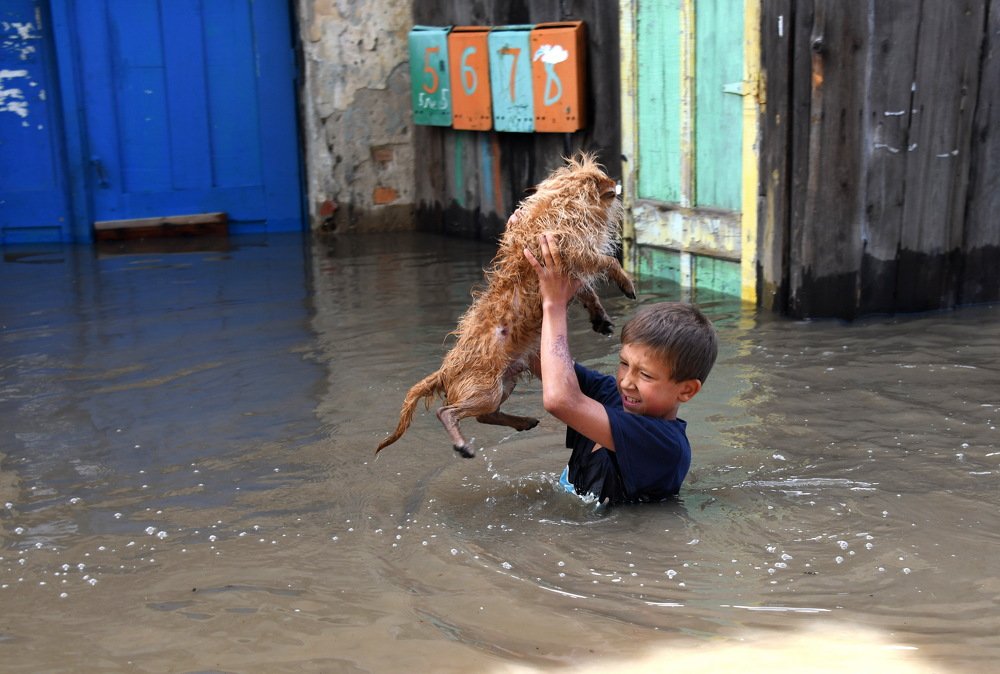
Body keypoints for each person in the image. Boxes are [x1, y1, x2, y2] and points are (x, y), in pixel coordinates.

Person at [523, 233, 718, 505]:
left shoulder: (665, 446)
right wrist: (524, 250)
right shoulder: (614, 397)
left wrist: (554, 305)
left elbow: (559, 399)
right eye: (624, 363)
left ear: (686, 390)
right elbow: (535, 357)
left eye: (646, 374)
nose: (627, 381)